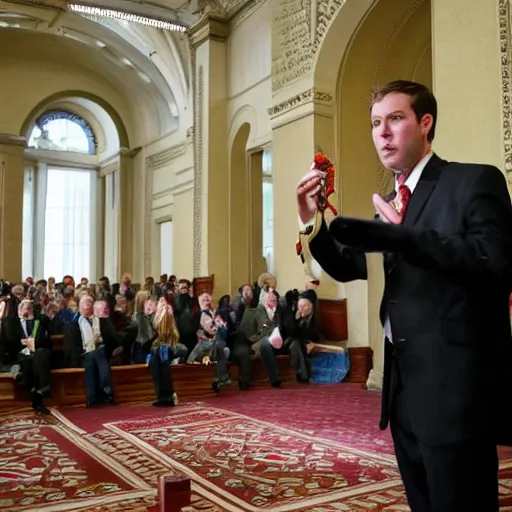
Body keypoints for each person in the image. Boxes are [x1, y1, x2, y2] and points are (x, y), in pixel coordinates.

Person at [296, 80, 512, 512]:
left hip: (455, 392)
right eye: (376, 123)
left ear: (425, 123)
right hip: (402, 394)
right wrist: (309, 223)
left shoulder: (473, 181)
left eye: (395, 119)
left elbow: (496, 263)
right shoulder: (392, 200)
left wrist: (408, 237)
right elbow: (354, 266)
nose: (382, 133)